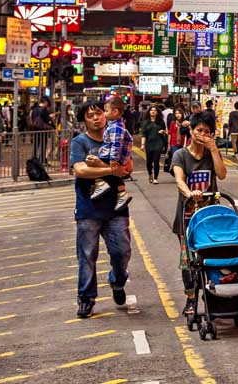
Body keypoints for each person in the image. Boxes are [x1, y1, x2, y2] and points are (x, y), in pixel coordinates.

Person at [70, 100, 133, 319]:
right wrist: (111, 170)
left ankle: (117, 282)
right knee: (87, 255)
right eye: (90, 115)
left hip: (116, 207)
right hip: (88, 208)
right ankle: (86, 298)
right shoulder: (80, 142)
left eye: (99, 113)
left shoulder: (116, 135)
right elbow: (80, 170)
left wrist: (115, 170)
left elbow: (128, 166)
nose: (96, 118)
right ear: (84, 120)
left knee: (122, 252)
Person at [171, 112, 227, 317]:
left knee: (212, 256)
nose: (202, 134)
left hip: (209, 216)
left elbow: (221, 174)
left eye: (207, 131)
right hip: (186, 216)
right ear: (191, 131)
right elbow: (179, 179)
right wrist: (190, 194)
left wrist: (213, 149)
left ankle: (214, 295)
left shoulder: (211, 153)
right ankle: (191, 298)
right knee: (188, 260)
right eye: (199, 130)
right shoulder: (180, 155)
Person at [87, 97, 133, 210]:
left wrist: (113, 159)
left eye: (106, 111)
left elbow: (116, 143)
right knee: (114, 175)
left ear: (115, 112)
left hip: (110, 156)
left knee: (94, 164)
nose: (104, 114)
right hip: (112, 157)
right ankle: (120, 192)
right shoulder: (117, 125)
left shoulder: (115, 127)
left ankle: (102, 184)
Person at [140, 104, 168, 184]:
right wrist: (142, 145)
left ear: (157, 112)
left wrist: (163, 132)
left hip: (158, 143)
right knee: (149, 162)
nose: (153, 112)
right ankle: (150, 174)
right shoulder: (145, 122)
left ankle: (156, 178)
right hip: (149, 144)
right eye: (151, 110)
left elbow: (165, 131)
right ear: (149, 112)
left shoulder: (161, 121)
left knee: (156, 161)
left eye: (155, 110)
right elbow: (143, 134)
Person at [29, 97, 52, 162]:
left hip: (35, 130)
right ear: (45, 102)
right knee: (43, 145)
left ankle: (33, 159)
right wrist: (51, 120)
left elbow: (32, 119)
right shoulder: (44, 110)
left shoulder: (34, 110)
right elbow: (48, 120)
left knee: (35, 145)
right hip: (43, 130)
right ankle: (42, 160)